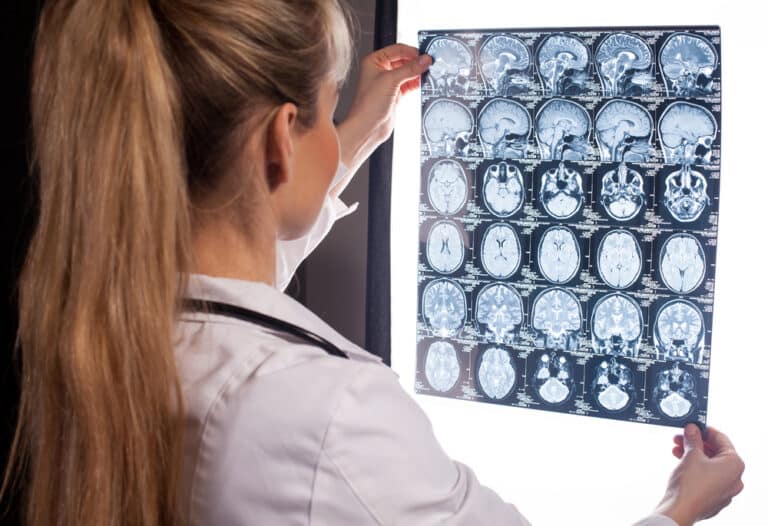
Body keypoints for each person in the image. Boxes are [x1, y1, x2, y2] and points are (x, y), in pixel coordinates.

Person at [0, 1, 744, 525]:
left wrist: (352, 135)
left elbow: (241, 272)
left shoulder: (100, 317)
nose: (338, 123)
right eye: (328, 106)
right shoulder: (327, 412)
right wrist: (680, 506)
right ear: (279, 139)